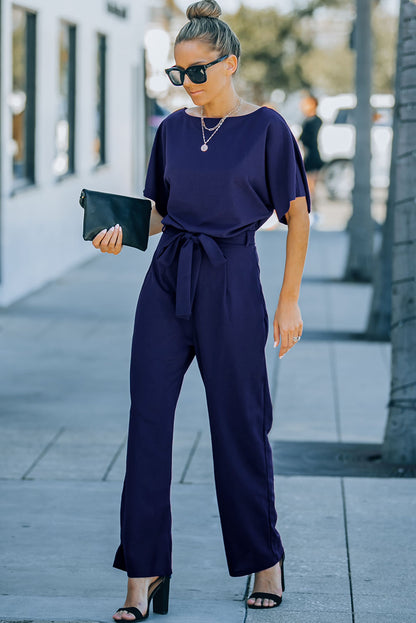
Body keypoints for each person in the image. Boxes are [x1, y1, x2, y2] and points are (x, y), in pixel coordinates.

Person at [92, 1, 310, 619]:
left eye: (197, 72)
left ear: (230, 64)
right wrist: (119, 230)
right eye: (177, 74)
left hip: (234, 280)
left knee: (239, 426)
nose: (187, 85)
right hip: (167, 282)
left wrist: (288, 300)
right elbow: (159, 210)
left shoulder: (267, 128)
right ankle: (144, 572)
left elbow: (298, 213)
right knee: (148, 425)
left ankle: (263, 561)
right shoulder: (173, 130)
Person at [299, 93, 324, 223]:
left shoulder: (314, 121)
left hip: (312, 155)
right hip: (309, 155)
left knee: (310, 187)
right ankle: (313, 210)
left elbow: (308, 139)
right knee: (309, 186)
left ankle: (313, 211)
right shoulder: (310, 120)